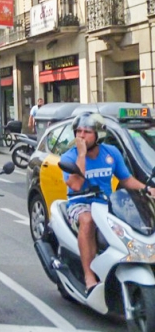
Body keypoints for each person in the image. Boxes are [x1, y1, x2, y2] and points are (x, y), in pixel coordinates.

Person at [61, 113, 154, 292]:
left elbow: (126, 179)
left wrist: (147, 190)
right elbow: (76, 184)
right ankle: (89, 275)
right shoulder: (69, 157)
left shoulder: (111, 153)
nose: (81, 135)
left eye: (86, 132)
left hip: (106, 203)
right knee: (88, 221)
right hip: (80, 203)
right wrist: (81, 154)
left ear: (98, 134)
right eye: (78, 131)